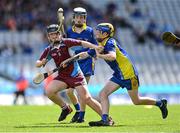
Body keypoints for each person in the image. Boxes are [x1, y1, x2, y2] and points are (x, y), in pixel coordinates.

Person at [79, 23, 168, 126]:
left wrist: (98, 55)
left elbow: (112, 56)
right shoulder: (100, 44)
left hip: (129, 74)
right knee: (103, 94)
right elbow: (86, 54)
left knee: (136, 101)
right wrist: (73, 58)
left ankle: (160, 103)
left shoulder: (110, 42)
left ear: (105, 33)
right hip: (119, 74)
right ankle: (105, 120)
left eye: (99, 31)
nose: (96, 33)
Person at [35, 24, 103, 122]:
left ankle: (106, 118)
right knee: (49, 91)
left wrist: (95, 46)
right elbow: (37, 63)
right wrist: (41, 62)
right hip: (63, 77)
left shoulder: (66, 42)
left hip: (75, 75)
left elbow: (82, 43)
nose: (54, 36)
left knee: (86, 99)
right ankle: (65, 108)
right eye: (51, 35)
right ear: (48, 37)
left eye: (56, 34)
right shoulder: (49, 50)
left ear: (60, 34)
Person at [65, 7, 97, 123]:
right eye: (77, 17)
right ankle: (78, 111)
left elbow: (96, 48)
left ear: (85, 19)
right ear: (73, 18)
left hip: (87, 63)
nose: (79, 19)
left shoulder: (90, 31)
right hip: (73, 63)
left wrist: (88, 54)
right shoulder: (68, 32)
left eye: (82, 17)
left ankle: (81, 116)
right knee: (69, 92)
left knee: (81, 92)